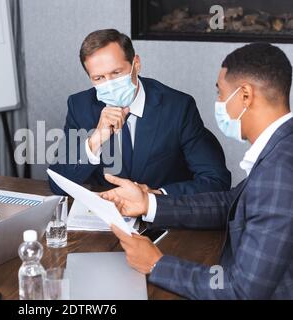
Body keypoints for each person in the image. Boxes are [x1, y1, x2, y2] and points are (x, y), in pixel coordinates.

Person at [101, 43, 293, 299]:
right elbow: (230, 203)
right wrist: (149, 203)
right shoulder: (282, 146)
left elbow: (243, 291)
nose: (219, 103)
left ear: (245, 95)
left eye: (221, 94)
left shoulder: (278, 171)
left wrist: (157, 264)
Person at [48, 29, 230, 197]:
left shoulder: (178, 107)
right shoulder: (80, 106)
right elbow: (58, 184)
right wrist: (95, 140)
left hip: (162, 218)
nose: (109, 83)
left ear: (136, 64)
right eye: (99, 78)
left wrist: (155, 195)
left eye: (116, 73)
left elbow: (216, 180)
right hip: (105, 219)